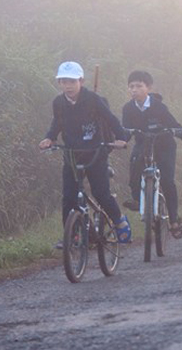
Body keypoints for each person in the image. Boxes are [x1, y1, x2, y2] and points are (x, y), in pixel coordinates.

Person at [39, 61, 131, 249]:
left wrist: (122, 138)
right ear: (59, 83)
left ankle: (120, 221)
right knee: (69, 197)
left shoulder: (93, 99)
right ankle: (71, 236)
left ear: (81, 81)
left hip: (95, 152)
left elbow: (111, 119)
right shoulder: (58, 102)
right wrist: (49, 138)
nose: (68, 86)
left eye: (72, 81)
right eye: (63, 81)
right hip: (72, 154)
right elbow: (57, 123)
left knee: (100, 193)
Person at [122, 70, 182, 239]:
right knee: (134, 174)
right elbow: (124, 131)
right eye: (131, 86)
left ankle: (174, 220)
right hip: (142, 145)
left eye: (139, 86)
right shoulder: (128, 108)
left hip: (164, 146)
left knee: (167, 181)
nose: (134, 90)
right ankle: (139, 201)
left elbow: (173, 124)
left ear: (149, 88)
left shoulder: (158, 106)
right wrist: (119, 140)